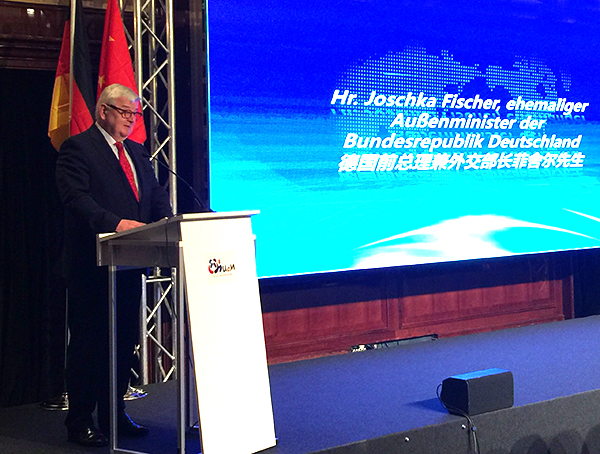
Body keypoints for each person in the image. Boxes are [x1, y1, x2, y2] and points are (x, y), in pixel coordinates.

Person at [55, 83, 173, 447]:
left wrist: (169, 223)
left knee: (123, 344)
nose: (131, 119)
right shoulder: (78, 148)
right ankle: (80, 420)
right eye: (124, 112)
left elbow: (154, 196)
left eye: (134, 114)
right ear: (103, 111)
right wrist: (115, 223)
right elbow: (76, 199)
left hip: (129, 264)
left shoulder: (136, 152)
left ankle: (113, 414)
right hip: (92, 265)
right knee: (89, 345)